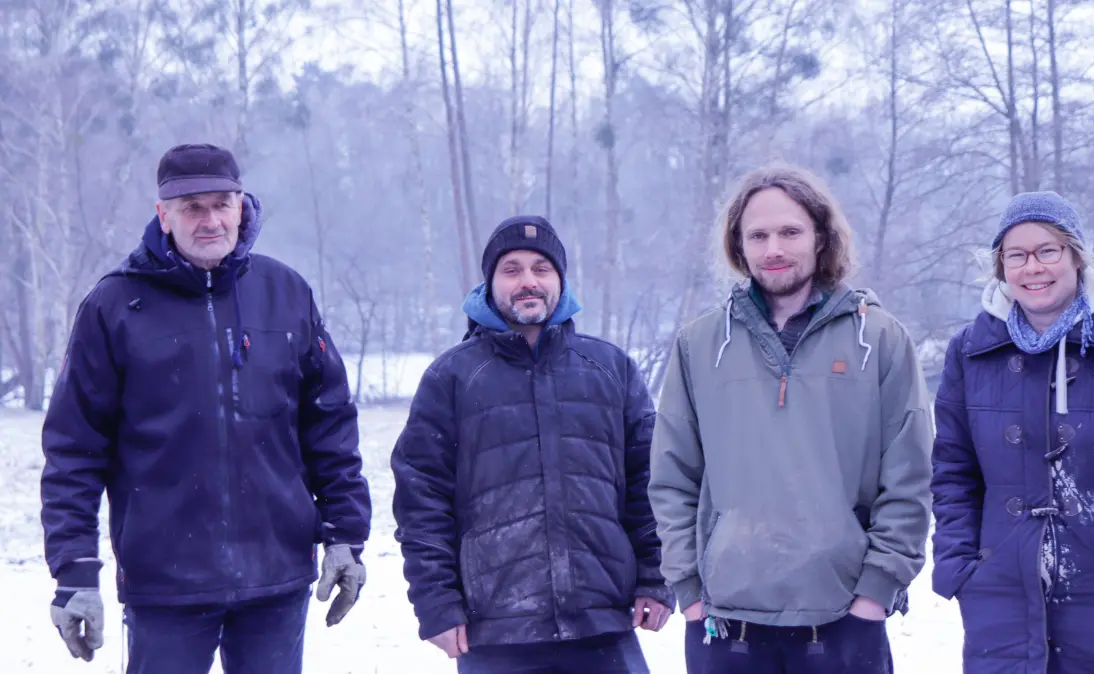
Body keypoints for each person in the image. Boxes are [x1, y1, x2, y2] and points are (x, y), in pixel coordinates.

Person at [40, 143, 371, 674]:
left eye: (222, 204)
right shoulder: (115, 305)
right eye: (192, 207)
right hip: (164, 585)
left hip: (276, 577)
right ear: (163, 215)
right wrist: (74, 572)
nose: (211, 220)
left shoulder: (285, 292)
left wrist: (345, 535)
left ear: (241, 206)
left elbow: (328, 423)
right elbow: (74, 449)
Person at [648, 163, 933, 674]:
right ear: (739, 246)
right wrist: (688, 590)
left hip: (844, 617)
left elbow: (910, 475)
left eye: (790, 232)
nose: (774, 248)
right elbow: (672, 477)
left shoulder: (878, 340)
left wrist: (876, 591)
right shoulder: (701, 344)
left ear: (821, 237)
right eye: (758, 235)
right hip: (724, 622)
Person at [930, 191, 1094, 672]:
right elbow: (953, 472)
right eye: (1016, 255)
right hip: (1003, 615)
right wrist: (965, 568)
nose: (1033, 267)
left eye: (1047, 250)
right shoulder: (969, 352)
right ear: (1000, 267)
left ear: (1076, 256)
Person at [392, 215, 674, 674]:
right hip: (494, 631)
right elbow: (421, 500)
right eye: (512, 269)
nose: (528, 281)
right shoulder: (452, 377)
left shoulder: (610, 368)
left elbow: (651, 482)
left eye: (541, 268)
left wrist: (655, 578)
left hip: (602, 623)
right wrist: (436, 603)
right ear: (490, 283)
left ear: (560, 280)